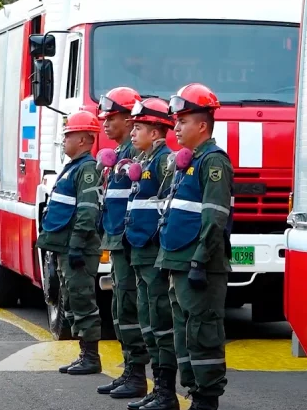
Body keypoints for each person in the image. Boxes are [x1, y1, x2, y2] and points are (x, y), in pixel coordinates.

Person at [157, 83, 234, 410]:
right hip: (180, 262)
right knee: (184, 334)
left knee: (203, 333)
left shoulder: (213, 162)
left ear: (202, 125)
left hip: (198, 264)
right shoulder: (187, 161)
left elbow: (214, 218)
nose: (175, 127)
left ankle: (206, 399)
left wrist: (200, 262)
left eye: (182, 121)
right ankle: (193, 393)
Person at [37, 110, 104, 375]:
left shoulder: (87, 169)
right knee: (72, 299)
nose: (64, 140)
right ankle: (84, 354)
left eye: (69, 135)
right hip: (66, 247)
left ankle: (91, 356)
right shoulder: (74, 167)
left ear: (85, 139)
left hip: (78, 248)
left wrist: (76, 245)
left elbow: (88, 212)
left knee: (82, 299)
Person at [124, 97, 179, 410]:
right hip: (140, 252)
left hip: (154, 253)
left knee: (160, 321)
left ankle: (167, 393)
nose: (134, 133)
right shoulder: (144, 161)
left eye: (140, 127)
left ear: (158, 132)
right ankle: (157, 388)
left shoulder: (164, 162)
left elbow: (167, 208)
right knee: (148, 321)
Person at [95, 87, 149, 398]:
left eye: (112, 117)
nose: (106, 123)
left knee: (130, 309)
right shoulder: (118, 157)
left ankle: (138, 374)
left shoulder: (136, 158)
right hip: (116, 241)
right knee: (120, 309)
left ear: (130, 120)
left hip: (128, 244)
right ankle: (130, 369)